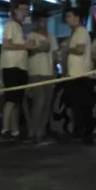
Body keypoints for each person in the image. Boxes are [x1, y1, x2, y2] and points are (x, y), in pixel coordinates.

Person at [0, 0, 32, 142]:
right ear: (15, 10)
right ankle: (5, 130)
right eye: (22, 9)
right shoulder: (11, 24)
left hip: (19, 67)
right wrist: (25, 46)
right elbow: (6, 44)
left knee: (16, 101)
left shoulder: (19, 27)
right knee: (11, 100)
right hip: (12, 66)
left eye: (26, 10)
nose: (25, 13)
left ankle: (14, 131)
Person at [26, 9, 58, 143]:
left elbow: (55, 55)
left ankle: (42, 131)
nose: (43, 23)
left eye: (45, 21)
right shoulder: (31, 36)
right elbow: (28, 52)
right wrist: (39, 49)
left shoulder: (52, 37)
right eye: (41, 21)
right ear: (36, 22)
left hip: (49, 73)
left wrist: (55, 69)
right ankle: (33, 131)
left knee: (47, 103)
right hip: (35, 72)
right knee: (38, 102)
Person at [64, 1, 93, 143]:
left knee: (81, 106)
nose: (67, 19)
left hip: (80, 75)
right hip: (76, 74)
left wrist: (67, 49)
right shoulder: (75, 33)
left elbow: (80, 50)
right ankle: (81, 132)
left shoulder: (81, 31)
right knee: (79, 106)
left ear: (77, 18)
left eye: (69, 16)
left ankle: (82, 133)